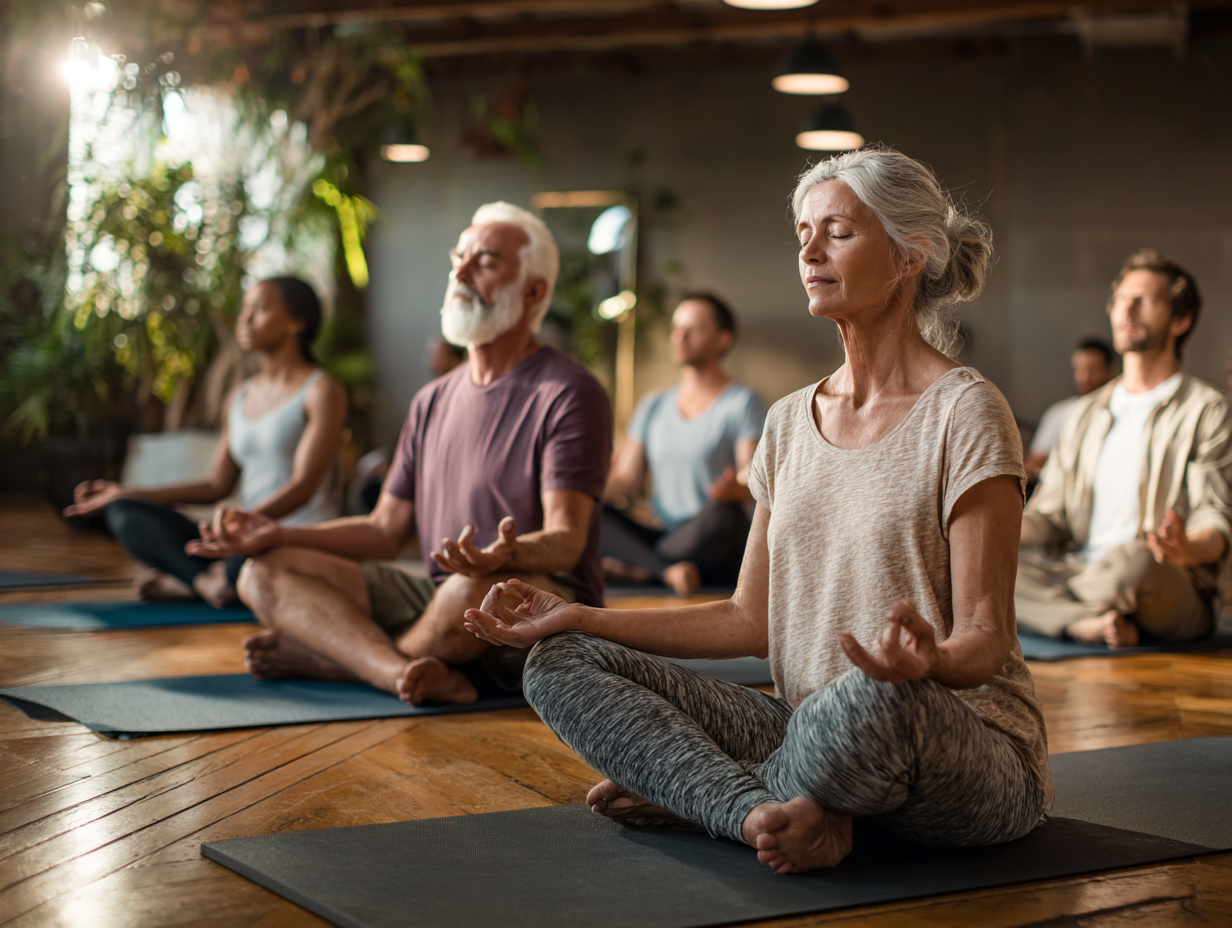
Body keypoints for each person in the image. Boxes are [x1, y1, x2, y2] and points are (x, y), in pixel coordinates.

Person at [464, 148, 1050, 875]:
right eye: (802, 231)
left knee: (869, 696)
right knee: (555, 662)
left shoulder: (967, 411)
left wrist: (928, 661)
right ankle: (758, 813)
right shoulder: (785, 423)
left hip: (950, 740)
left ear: (909, 255)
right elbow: (748, 619)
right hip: (804, 730)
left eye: (836, 231)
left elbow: (988, 638)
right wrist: (577, 615)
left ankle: (704, 796)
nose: (808, 249)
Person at [186, 202, 612, 706]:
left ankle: (342, 661)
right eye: (460, 256)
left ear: (533, 290)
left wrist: (507, 555)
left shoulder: (568, 390)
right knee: (265, 569)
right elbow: (384, 531)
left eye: (487, 261)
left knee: (476, 591)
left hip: (533, 606)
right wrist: (277, 531)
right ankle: (394, 671)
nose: (461, 270)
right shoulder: (431, 400)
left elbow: (566, 541)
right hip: (439, 601)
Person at [63, 277, 347, 607]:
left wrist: (241, 525)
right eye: (245, 309)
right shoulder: (240, 396)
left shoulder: (322, 390)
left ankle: (197, 580)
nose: (245, 319)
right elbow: (216, 485)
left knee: (255, 555)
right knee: (124, 512)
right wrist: (124, 491)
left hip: (293, 535)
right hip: (242, 534)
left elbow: (304, 485)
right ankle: (207, 583)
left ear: (296, 323)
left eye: (261, 309)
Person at [1016, 250, 1231, 648]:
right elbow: (1050, 517)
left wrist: (1184, 547)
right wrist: (995, 528)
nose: (1125, 311)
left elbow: (1215, 520)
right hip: (1082, 568)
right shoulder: (1082, 414)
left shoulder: (1206, 410)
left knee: (1135, 561)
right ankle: (1089, 623)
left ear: (1180, 321)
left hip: (1163, 578)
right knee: (987, 569)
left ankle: (1065, 617)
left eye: (1143, 301)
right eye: (1120, 300)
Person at [602, 294, 767, 594]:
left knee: (726, 515)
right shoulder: (653, 405)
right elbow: (626, 480)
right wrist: (579, 492)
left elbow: (751, 475)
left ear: (722, 339)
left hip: (708, 536)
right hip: (663, 537)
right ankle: (666, 572)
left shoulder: (743, 402)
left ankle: (644, 569)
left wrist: (736, 488)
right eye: (677, 328)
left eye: (694, 329)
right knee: (591, 512)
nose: (680, 336)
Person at [1024, 338, 1115, 482]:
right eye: (1079, 369)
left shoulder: (1119, 411)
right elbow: (1034, 464)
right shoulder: (1058, 414)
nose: (1083, 378)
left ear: (1110, 371)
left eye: (1092, 370)